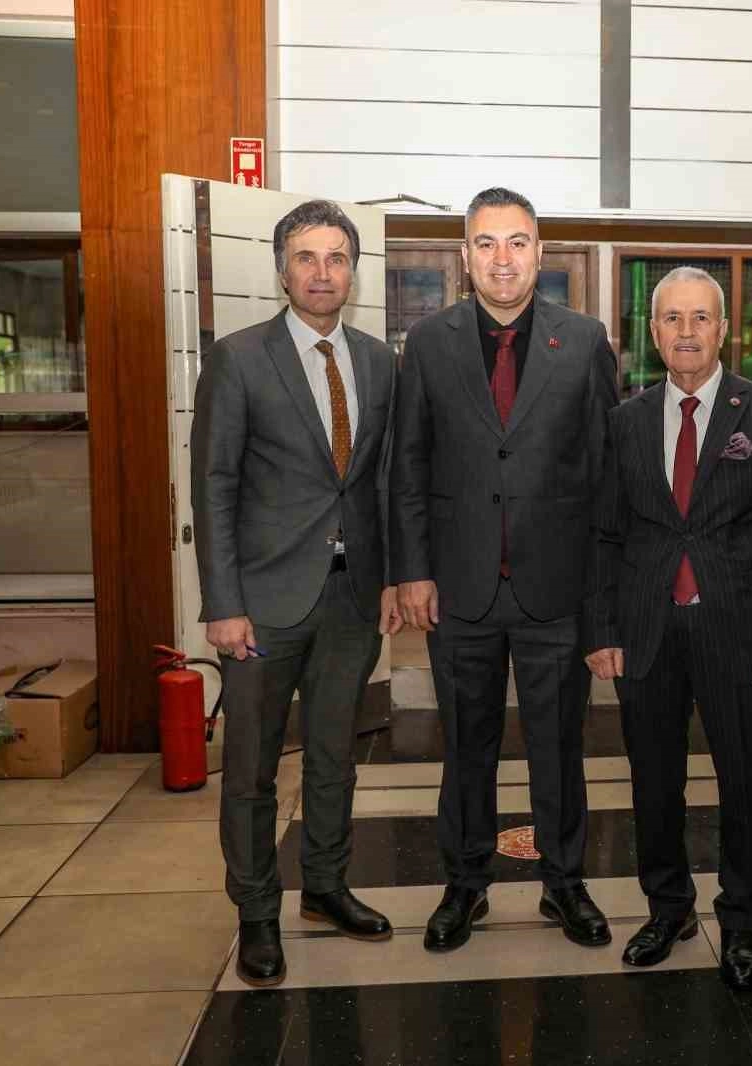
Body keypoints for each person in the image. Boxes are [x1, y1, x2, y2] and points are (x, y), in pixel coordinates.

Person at [391, 187, 619, 952]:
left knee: (559, 747)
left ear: (539, 253)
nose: (502, 259)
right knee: (466, 748)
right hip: (459, 590)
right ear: (465, 257)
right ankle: (465, 886)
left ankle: (565, 883)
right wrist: (413, 570)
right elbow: (408, 466)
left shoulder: (583, 342)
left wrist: (602, 596)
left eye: (517, 242)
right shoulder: (429, 344)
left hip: (555, 590)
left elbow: (605, 478)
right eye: (486, 243)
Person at [190, 199, 403, 988]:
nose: (322, 272)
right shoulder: (240, 359)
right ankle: (255, 913)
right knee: (251, 769)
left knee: (334, 757)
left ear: (354, 272)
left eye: (337, 258)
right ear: (282, 271)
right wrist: (222, 603)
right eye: (306, 258)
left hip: (352, 599)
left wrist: (390, 578)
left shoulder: (379, 363)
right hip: (261, 605)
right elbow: (213, 484)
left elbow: (384, 482)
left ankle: (324, 886)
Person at [585, 266, 752, 991]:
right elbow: (606, 535)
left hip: (740, 635)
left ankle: (741, 920)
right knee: (653, 782)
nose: (687, 332)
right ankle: (668, 908)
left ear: (724, 330)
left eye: (701, 318)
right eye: (673, 319)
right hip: (647, 632)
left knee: (747, 781)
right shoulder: (624, 421)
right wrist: (602, 630)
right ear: (653, 332)